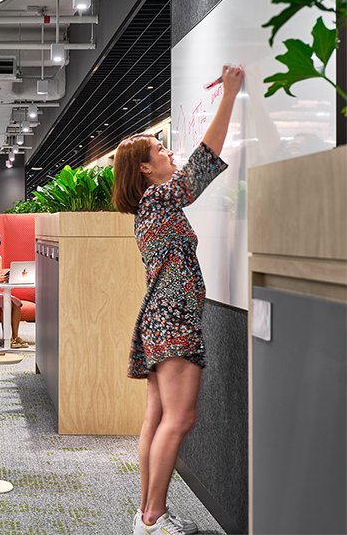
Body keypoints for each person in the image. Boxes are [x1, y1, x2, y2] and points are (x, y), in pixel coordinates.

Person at [113, 65, 244, 535]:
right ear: (146, 169)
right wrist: (229, 95)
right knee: (179, 418)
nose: (170, 153)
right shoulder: (160, 199)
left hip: (160, 318)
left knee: (159, 417)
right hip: (173, 320)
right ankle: (153, 516)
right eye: (161, 149)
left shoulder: (149, 208)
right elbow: (201, 165)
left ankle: (147, 516)